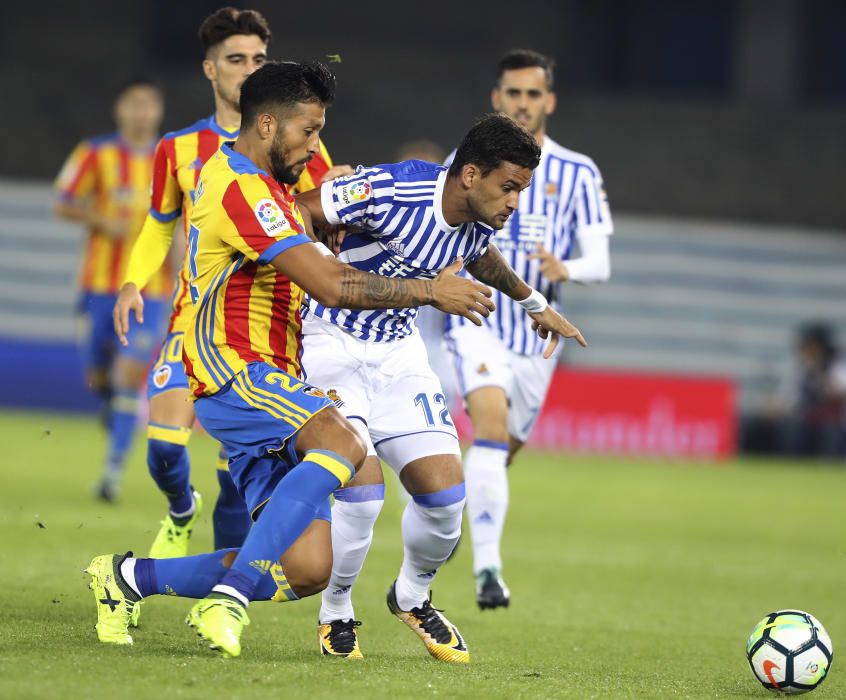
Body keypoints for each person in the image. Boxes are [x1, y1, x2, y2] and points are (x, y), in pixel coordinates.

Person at [86, 59, 494, 659]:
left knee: (307, 570)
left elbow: (311, 224)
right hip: (234, 365)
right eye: (309, 132)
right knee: (345, 444)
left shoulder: (270, 187)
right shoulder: (239, 187)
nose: (316, 145)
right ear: (269, 125)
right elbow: (330, 286)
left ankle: (125, 579)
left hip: (274, 376)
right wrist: (431, 289)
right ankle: (231, 594)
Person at [296, 113, 588, 663]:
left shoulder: (481, 218)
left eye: (521, 191)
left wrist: (535, 305)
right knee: (360, 494)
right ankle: (336, 609)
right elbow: (302, 212)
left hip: (398, 352)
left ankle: (411, 596)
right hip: (328, 343)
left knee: (446, 498)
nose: (514, 204)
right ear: (470, 174)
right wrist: (326, 242)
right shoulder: (390, 188)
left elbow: (480, 256)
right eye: (509, 188)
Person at [112, 8, 345, 561]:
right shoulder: (179, 149)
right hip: (192, 317)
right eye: (236, 59)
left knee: (234, 477)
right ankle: (178, 511)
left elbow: (319, 212)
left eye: (258, 59)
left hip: (256, 332)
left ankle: (220, 595)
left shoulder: (300, 144)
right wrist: (131, 283)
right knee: (165, 448)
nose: (247, 69)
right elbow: (158, 222)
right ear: (210, 70)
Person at [443, 49, 613, 609]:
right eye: (512, 93)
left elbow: (601, 262)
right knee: (488, 430)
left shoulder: (577, 172)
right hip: (479, 321)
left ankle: (435, 506)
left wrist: (568, 270)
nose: (522, 103)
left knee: (497, 458)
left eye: (532, 94)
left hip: (539, 341)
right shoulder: (464, 164)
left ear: (549, 101)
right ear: (497, 99)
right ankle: (488, 572)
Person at [54, 78, 167, 502]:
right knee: (98, 376)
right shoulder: (95, 153)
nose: (141, 112)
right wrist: (102, 221)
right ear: (120, 109)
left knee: (128, 376)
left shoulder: (169, 158)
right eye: (133, 104)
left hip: (150, 290)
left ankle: (111, 474)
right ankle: (109, 403)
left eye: (148, 105)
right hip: (98, 285)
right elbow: (63, 201)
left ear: (157, 111)